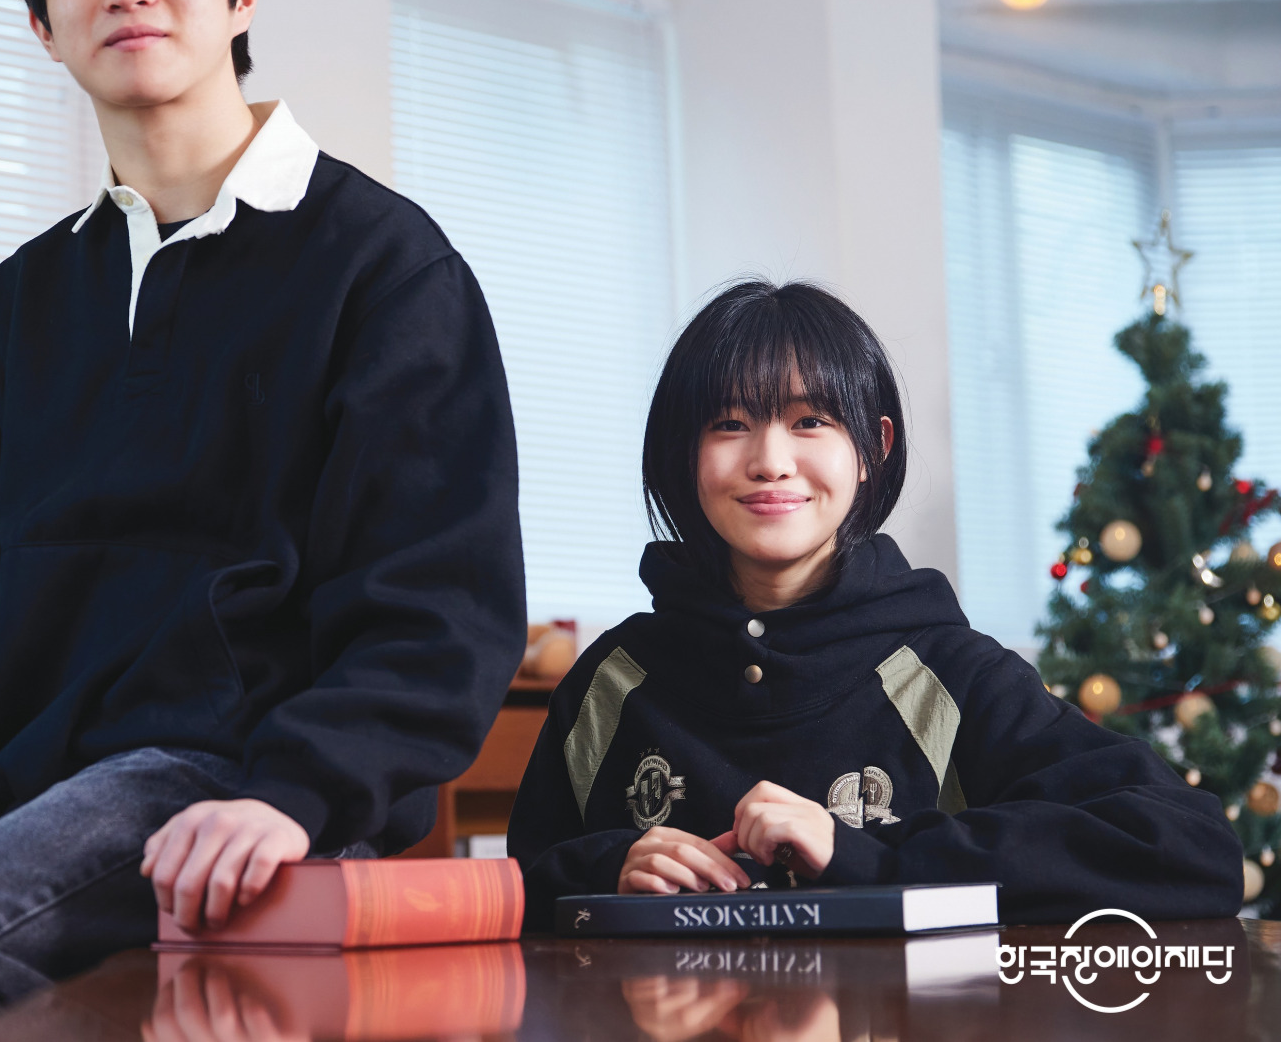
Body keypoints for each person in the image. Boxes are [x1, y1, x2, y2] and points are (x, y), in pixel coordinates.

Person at [0, 0, 526, 1038]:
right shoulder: (16, 310)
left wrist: (293, 790)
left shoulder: (382, 267)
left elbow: (439, 607)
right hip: (27, 802)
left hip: (229, 782)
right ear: (41, 24)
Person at [507, 279, 1243, 928]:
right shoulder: (610, 682)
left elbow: (1189, 847)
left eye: (809, 421)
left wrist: (865, 855)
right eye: (729, 423)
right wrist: (607, 868)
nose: (769, 461)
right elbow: (520, 887)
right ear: (683, 453)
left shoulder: (952, 673)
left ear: (872, 449)